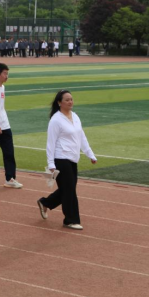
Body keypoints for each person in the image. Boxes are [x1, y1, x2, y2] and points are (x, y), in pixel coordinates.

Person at [38, 90, 97, 230]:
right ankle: (70, 220)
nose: (70, 102)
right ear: (59, 103)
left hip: (73, 158)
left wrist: (90, 154)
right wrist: (51, 163)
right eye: (67, 100)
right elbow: (50, 143)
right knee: (69, 190)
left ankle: (45, 202)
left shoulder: (75, 116)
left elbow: (81, 136)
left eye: (71, 99)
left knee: (67, 188)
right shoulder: (56, 120)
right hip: (60, 158)